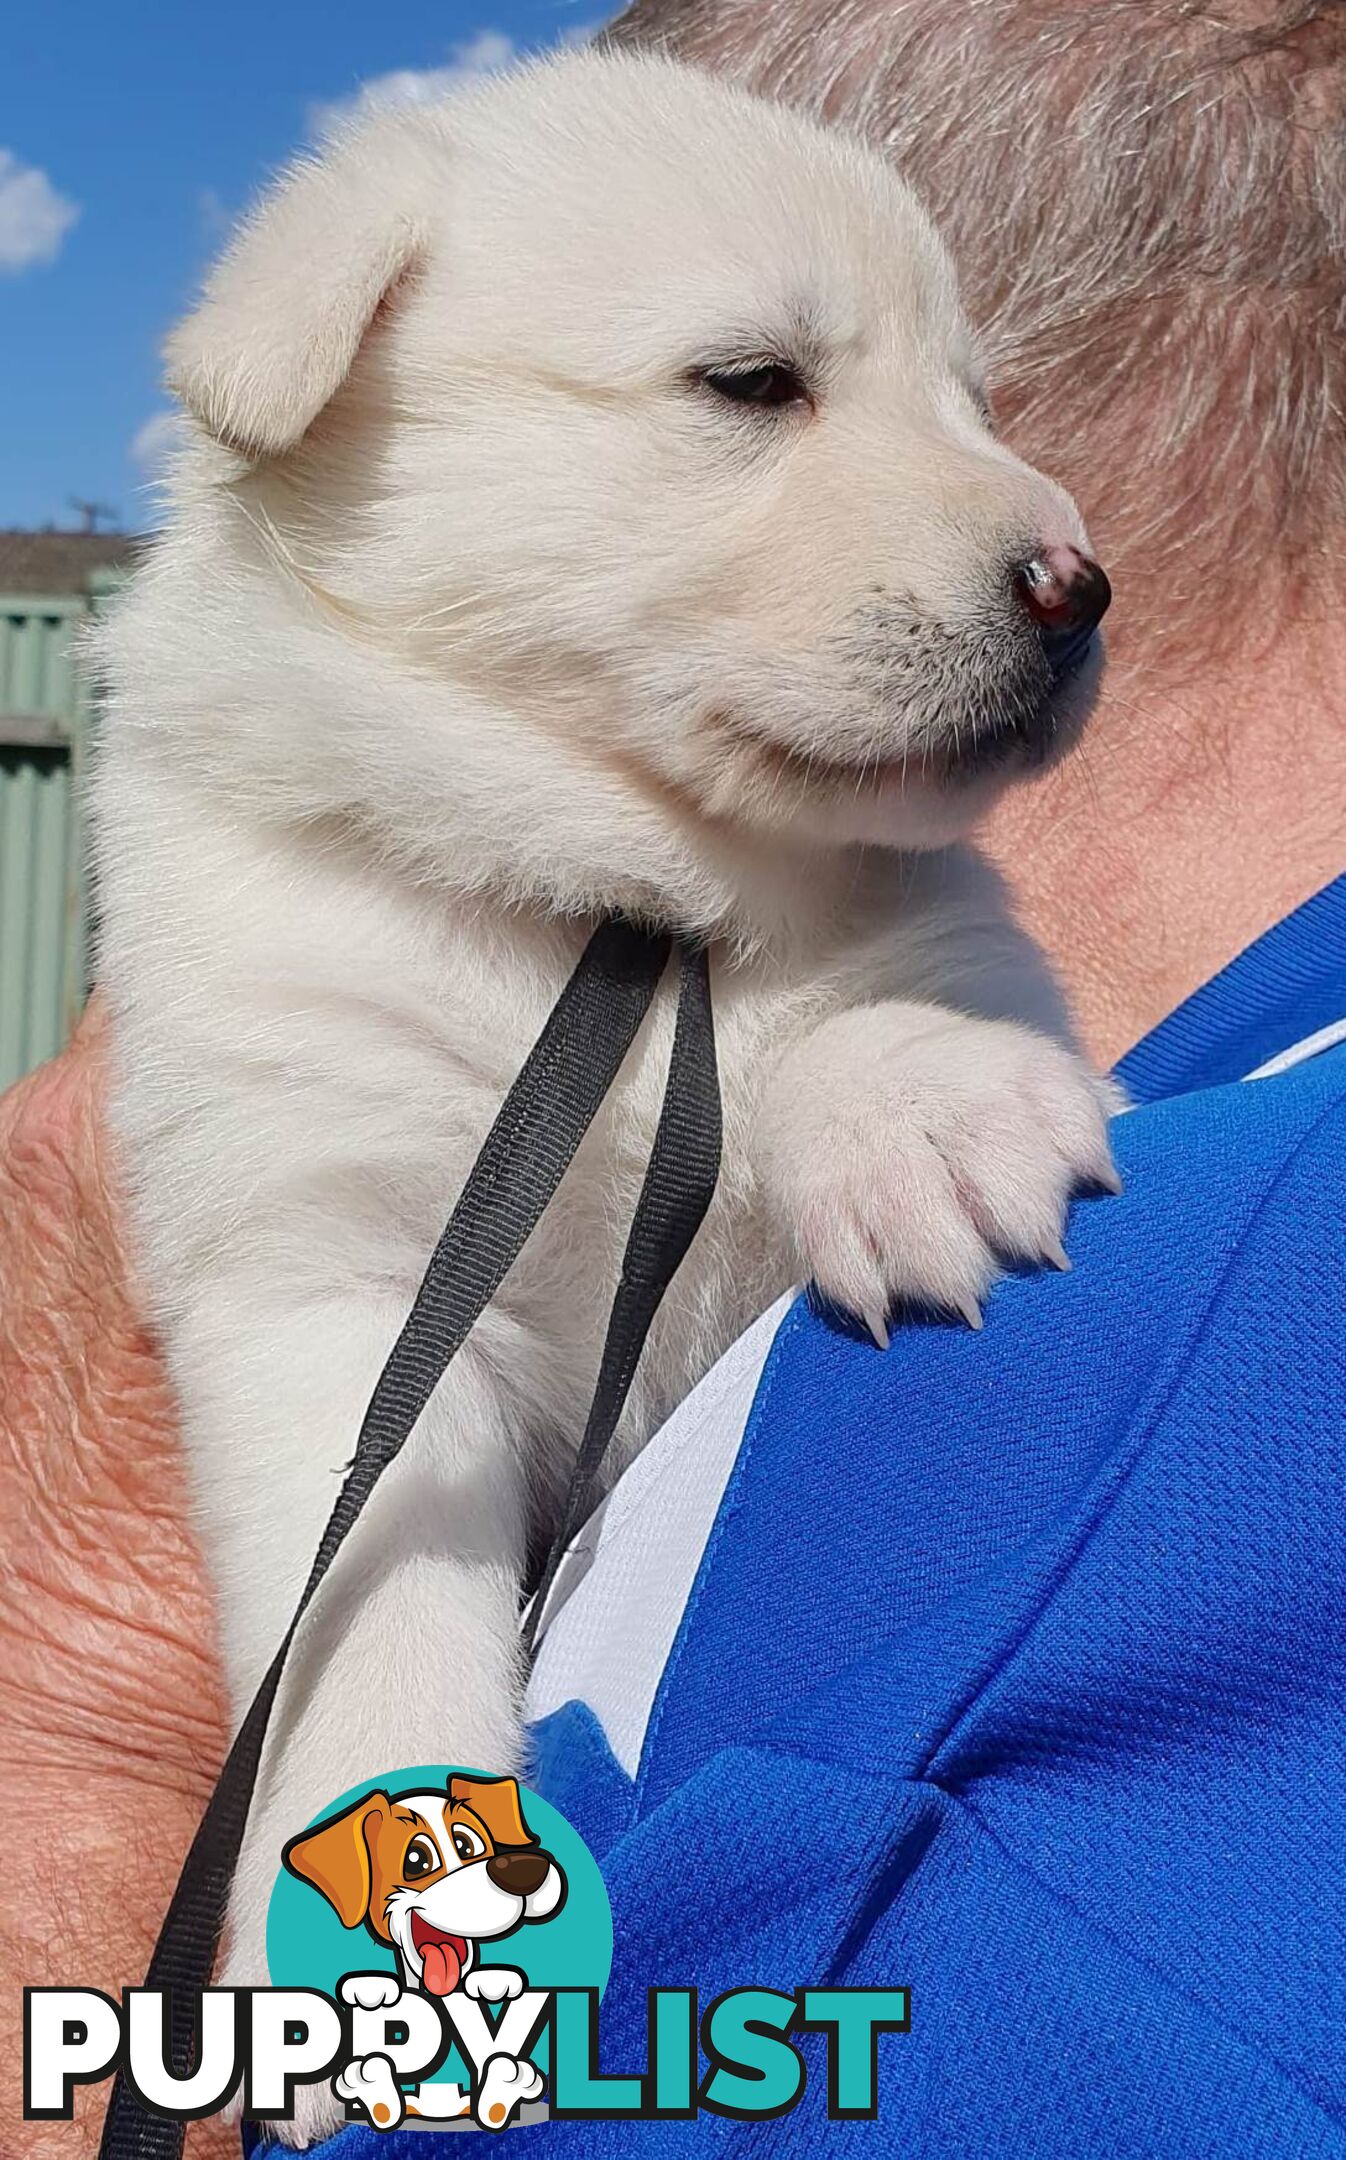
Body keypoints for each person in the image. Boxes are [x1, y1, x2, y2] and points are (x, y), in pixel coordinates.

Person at [1, 3, 1341, 2156]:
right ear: (325, 379)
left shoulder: (867, 891)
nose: (1033, 526)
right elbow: (340, 1357)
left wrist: (886, 1050)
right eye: (752, 386)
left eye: (963, 395)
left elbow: (905, 1006)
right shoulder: (254, 869)